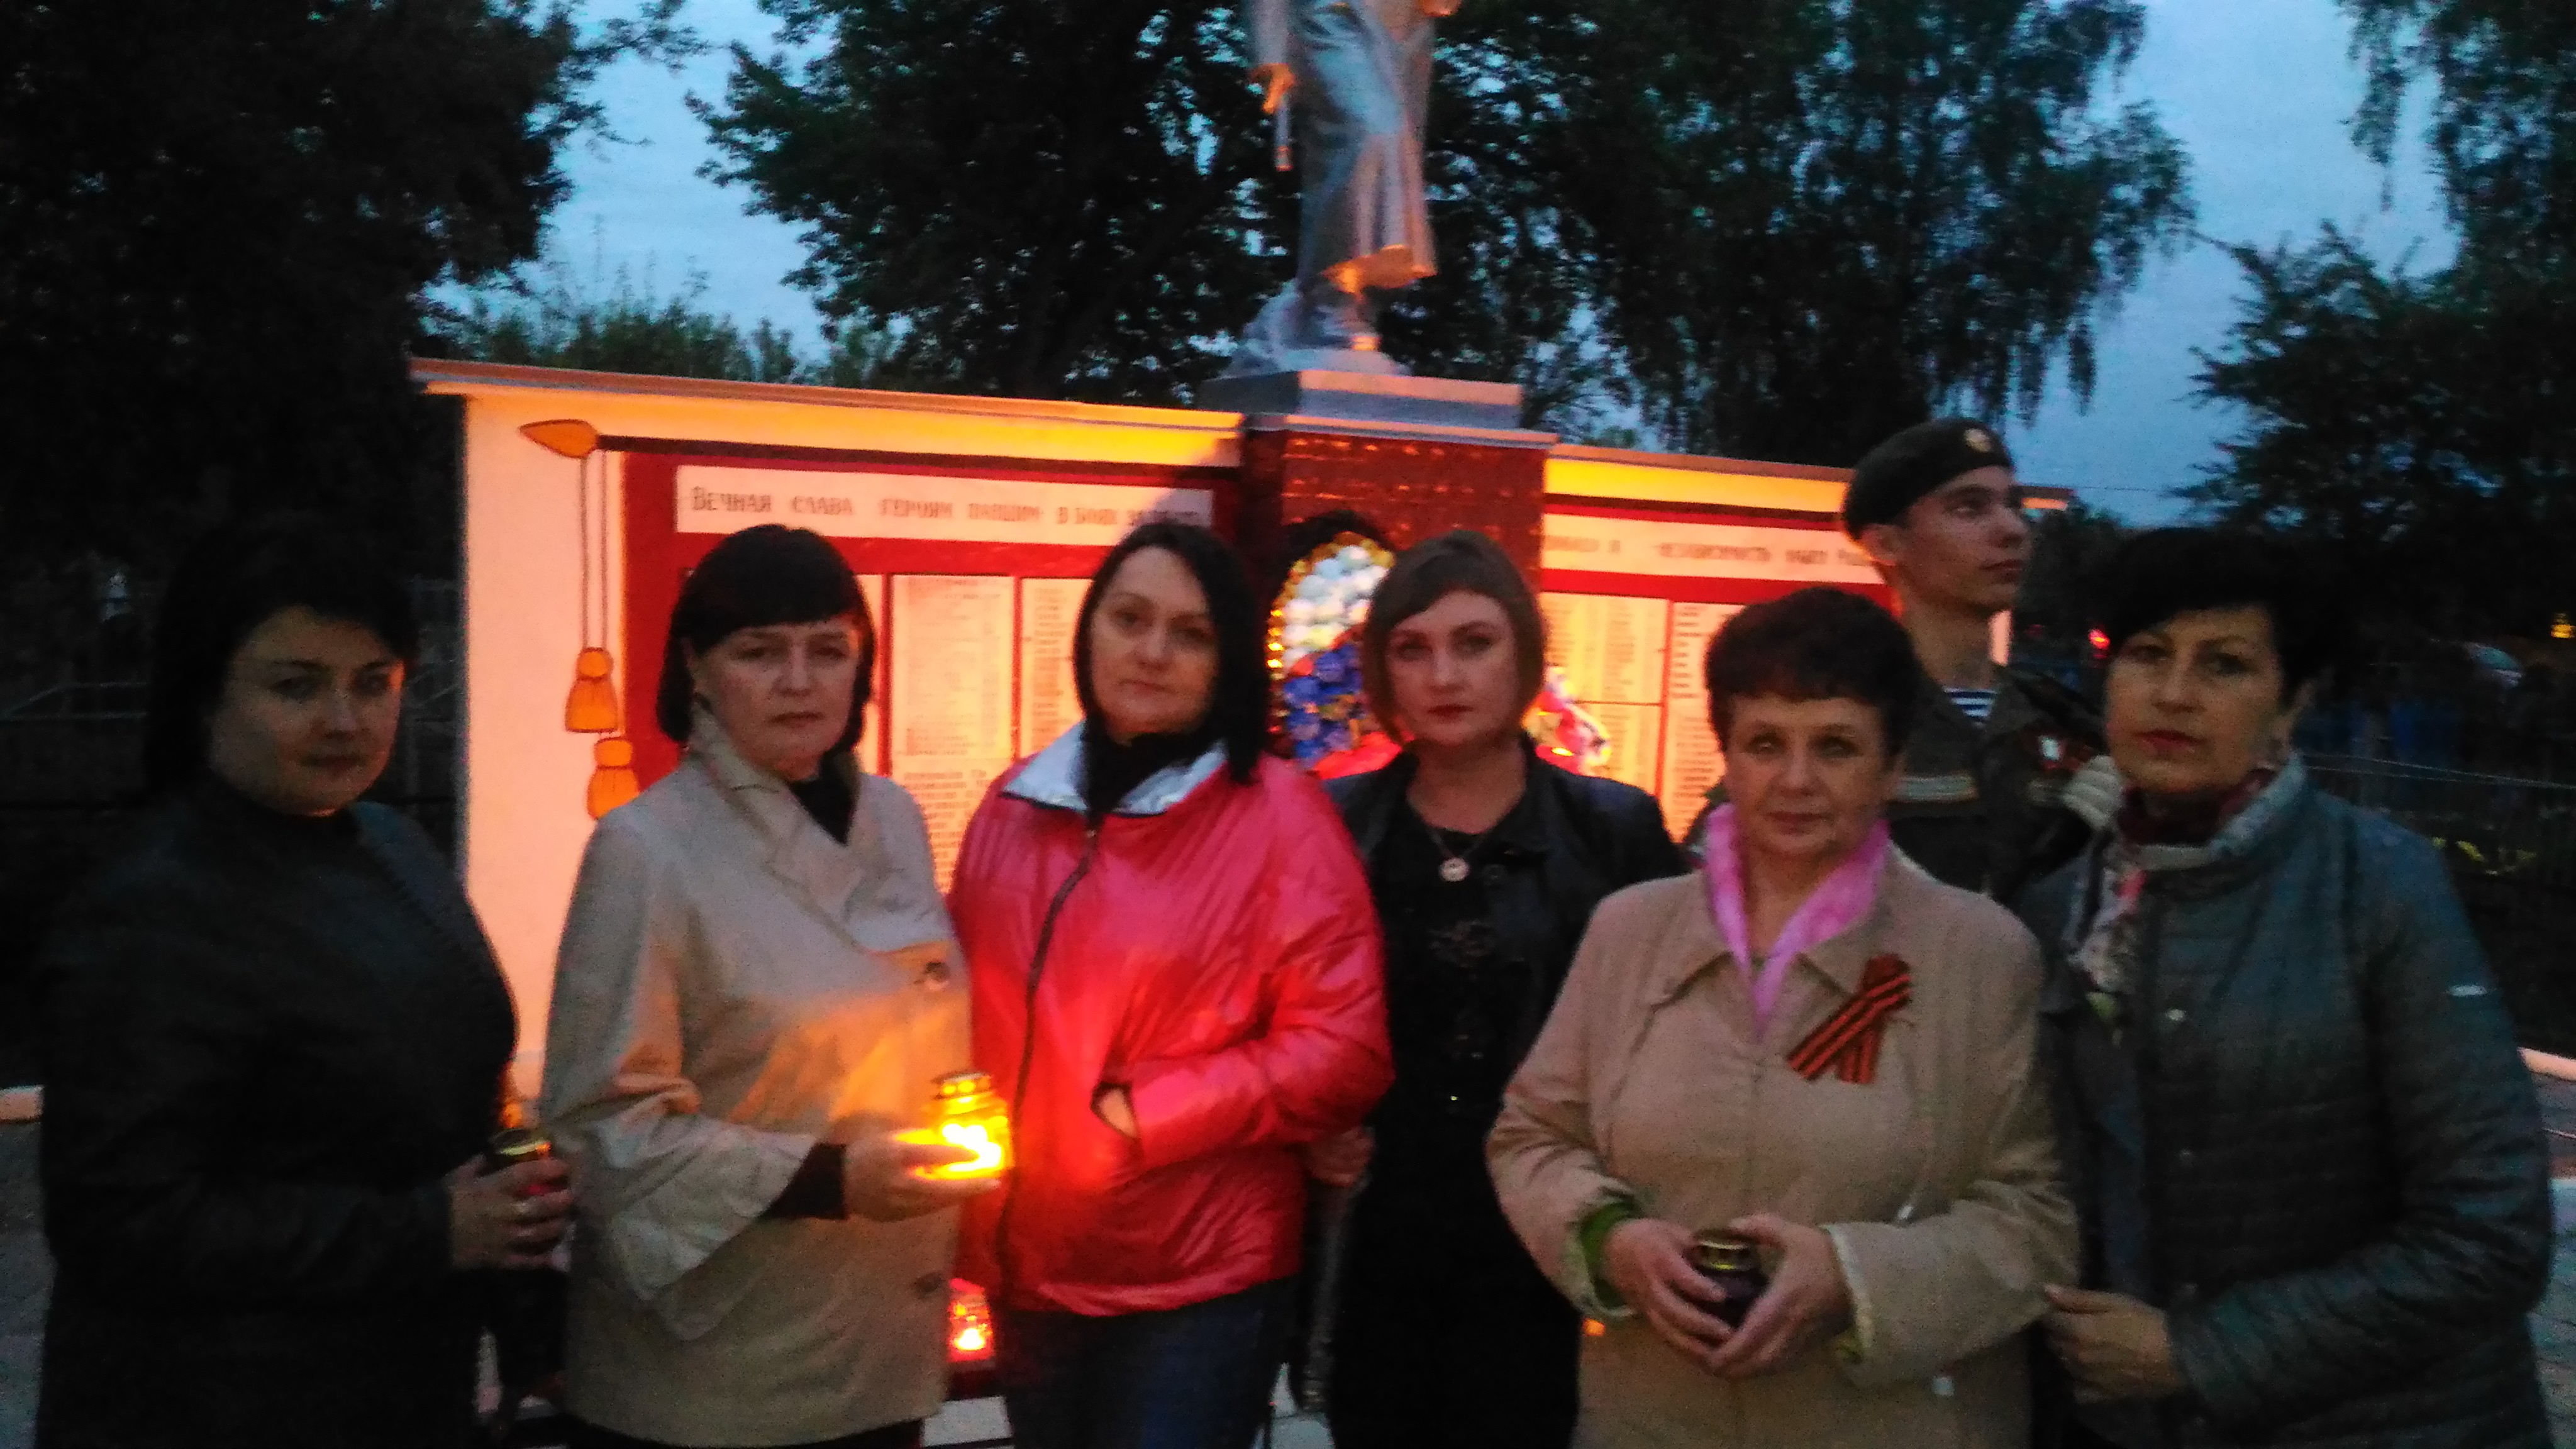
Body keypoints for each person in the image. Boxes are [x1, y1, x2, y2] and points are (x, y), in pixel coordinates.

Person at [1490, 586, 2075, 1449]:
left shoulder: (1981, 955)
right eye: (1765, 744)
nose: (1795, 780)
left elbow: (2037, 1221)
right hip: (1651, 1419)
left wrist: (1856, 1280)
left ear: (1893, 766)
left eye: (1835, 746)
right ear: (1726, 755)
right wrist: (1610, 1240)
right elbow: (1532, 1136)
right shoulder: (1629, 932)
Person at [34, 514, 571, 1449]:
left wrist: (527, 1311)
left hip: (403, 1388)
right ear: (205, 691)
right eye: (296, 686)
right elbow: (120, 1221)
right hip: (214, 1407)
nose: (344, 721)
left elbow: (468, 1104)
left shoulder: (391, 845)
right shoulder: (152, 908)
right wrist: (429, 1231)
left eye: (373, 682)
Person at [2022, 528, 2552, 1448]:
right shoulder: (2062, 905)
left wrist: (2199, 1353)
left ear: (2291, 702)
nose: (2175, 693)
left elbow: (2492, 1229)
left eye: (2224, 665)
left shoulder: (2376, 887)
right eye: (2148, 654)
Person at [948, 521, 1392, 1449]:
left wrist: (1146, 1114)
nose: (1151, 652)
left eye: (1190, 634)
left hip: (1194, 1284)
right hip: (1030, 1271)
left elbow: (1344, 1052)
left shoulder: (1280, 818)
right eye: (1130, 619)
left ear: (1226, 663)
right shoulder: (1013, 805)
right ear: (1089, 632)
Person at [542, 525, 987, 1449]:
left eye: (828, 650)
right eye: (759, 652)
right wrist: (833, 1176)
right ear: (696, 669)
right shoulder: (645, 851)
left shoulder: (893, 817)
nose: (799, 681)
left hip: (881, 1338)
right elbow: (604, 1126)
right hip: (723, 1366)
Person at [1313, 529, 1685, 1449]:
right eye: (1413, 649)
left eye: (1474, 643)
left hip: (1550, 1232)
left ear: (1523, 654)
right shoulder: (1335, 828)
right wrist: (1305, 1126)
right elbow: (1283, 1010)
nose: (1443, 675)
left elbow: (1675, 1028)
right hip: (1385, 1236)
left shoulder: (1611, 830)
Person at [1718, 418, 2114, 901]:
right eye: (1969, 508)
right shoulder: (1839, 716)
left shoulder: (2062, 724)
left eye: (2013, 506)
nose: (2012, 530)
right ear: (1887, 544)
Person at [1235, 0, 1457, 358]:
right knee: (1369, 133)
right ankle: (1332, 292)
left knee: (1394, 150)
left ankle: (1353, 292)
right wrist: (1269, 51)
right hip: (1329, 18)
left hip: (1401, 27)